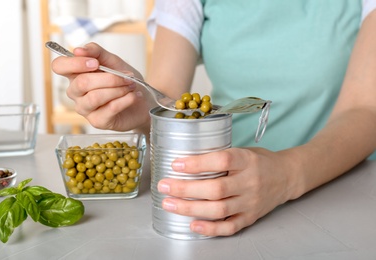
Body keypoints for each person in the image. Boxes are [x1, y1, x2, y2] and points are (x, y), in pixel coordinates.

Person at [51, 0, 376, 237]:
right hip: (224, 191)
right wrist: (141, 104)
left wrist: (287, 175)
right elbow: (166, 95)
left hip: (347, 189)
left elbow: (366, 109)